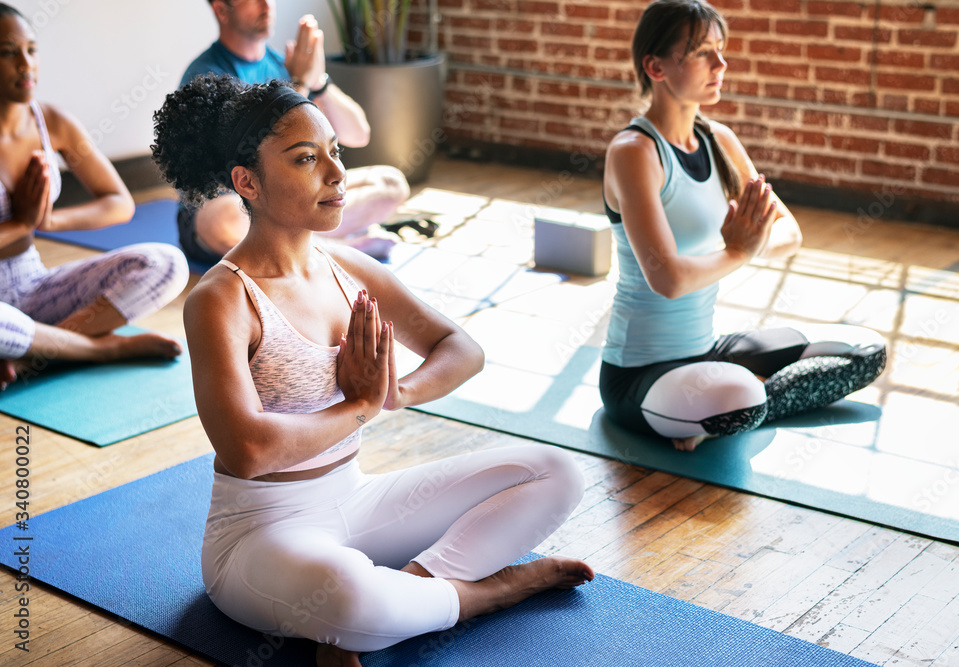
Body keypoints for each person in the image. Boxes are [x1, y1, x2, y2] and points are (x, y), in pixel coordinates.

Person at [151, 73, 594, 666]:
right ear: (246, 182)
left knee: (555, 471)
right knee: (356, 600)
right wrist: (356, 406)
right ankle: (480, 594)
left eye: (335, 152)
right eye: (307, 159)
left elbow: (461, 347)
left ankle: (414, 585)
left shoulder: (349, 267)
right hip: (260, 535)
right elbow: (247, 451)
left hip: (355, 501)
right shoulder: (222, 299)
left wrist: (395, 393)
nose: (336, 174)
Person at [599, 0, 886, 451]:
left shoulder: (719, 140)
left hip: (710, 349)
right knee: (741, 396)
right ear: (655, 66)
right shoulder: (634, 152)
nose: (721, 63)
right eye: (701, 52)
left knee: (864, 352)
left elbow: (789, 232)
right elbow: (668, 279)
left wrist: (747, 243)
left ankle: (718, 414)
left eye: (721, 49)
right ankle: (727, 407)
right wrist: (738, 250)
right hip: (640, 374)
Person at [0, 4, 187, 390]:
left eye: (31, 50)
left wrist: (48, 222)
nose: (26, 64)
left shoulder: (50, 121)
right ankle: (102, 350)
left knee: (167, 263)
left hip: (32, 286)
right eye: (7, 52)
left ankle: (34, 352)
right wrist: (21, 223)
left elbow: (118, 201)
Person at [176, 0, 410, 264]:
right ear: (221, 10)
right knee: (225, 220)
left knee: (391, 183)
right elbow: (248, 154)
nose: (266, 5)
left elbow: (358, 135)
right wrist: (299, 84)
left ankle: (313, 247)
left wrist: (317, 81)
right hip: (236, 200)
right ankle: (344, 249)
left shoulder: (285, 63)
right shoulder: (206, 77)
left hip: (294, 191)